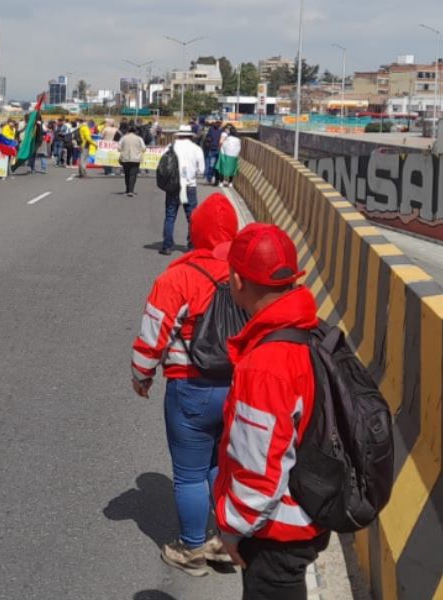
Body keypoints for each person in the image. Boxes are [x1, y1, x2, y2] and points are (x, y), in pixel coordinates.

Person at [212, 223, 328, 600]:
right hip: (305, 519)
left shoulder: (264, 365)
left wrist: (232, 529)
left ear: (238, 281)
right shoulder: (308, 330)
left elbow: (258, 472)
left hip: (275, 534)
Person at [131, 194, 240, 576]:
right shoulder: (246, 272)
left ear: (196, 232)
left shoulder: (178, 276)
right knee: (220, 466)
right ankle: (226, 542)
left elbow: (152, 336)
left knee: (191, 472)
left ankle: (192, 549)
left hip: (191, 387)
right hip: (239, 388)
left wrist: (141, 375)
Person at [161, 125, 205, 256]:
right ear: (191, 135)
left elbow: (163, 165)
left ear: (179, 134)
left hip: (173, 186)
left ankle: (167, 246)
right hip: (189, 186)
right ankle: (191, 245)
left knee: (170, 216)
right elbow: (201, 171)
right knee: (192, 218)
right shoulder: (196, 149)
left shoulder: (170, 147)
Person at [119, 126, 146, 197]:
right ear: (135, 132)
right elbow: (143, 148)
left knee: (127, 174)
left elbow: (119, 148)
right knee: (133, 175)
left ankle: (127, 190)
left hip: (125, 158)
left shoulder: (123, 138)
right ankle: (131, 191)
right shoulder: (139, 138)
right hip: (135, 159)